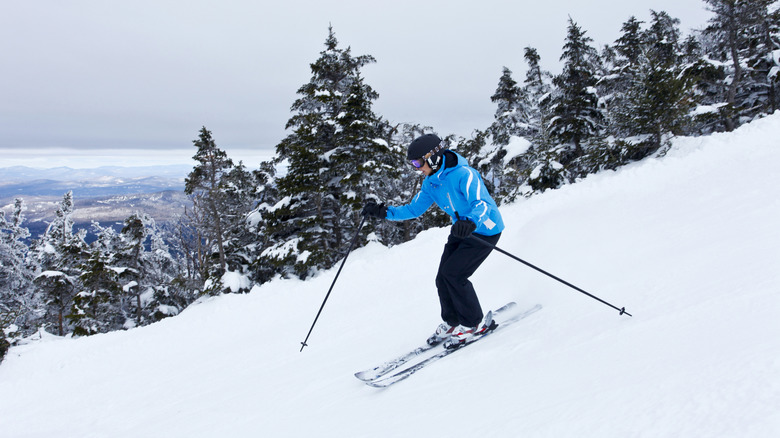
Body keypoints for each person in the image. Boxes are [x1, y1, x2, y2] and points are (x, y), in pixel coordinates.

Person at [362, 133, 505, 349]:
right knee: (442, 278)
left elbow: (483, 204)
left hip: (484, 230)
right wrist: (383, 213)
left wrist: (472, 221)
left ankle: (472, 323)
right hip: (461, 230)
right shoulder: (431, 183)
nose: (416, 167)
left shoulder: (464, 174)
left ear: (434, 157)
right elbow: (413, 209)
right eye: (413, 163)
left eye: (418, 162)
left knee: (455, 275)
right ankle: (452, 320)